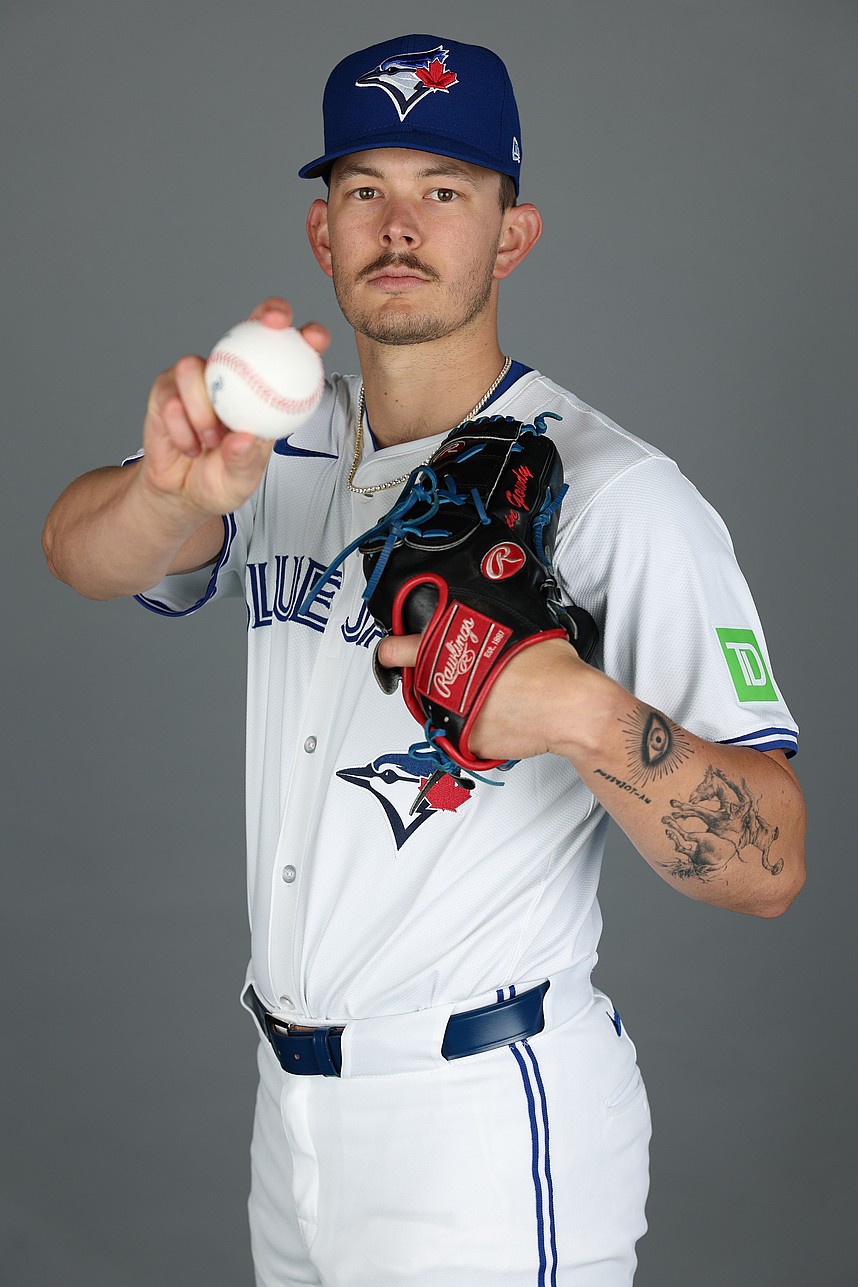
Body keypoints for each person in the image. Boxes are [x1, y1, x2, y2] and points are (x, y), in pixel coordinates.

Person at [42, 33, 806, 1287]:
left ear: (512, 234)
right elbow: (79, 554)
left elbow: (770, 862)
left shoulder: (618, 496)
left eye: (444, 191)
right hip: (286, 1117)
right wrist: (171, 495)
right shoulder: (269, 444)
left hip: (479, 1127)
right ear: (321, 234)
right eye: (365, 192)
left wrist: (587, 718)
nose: (401, 226)